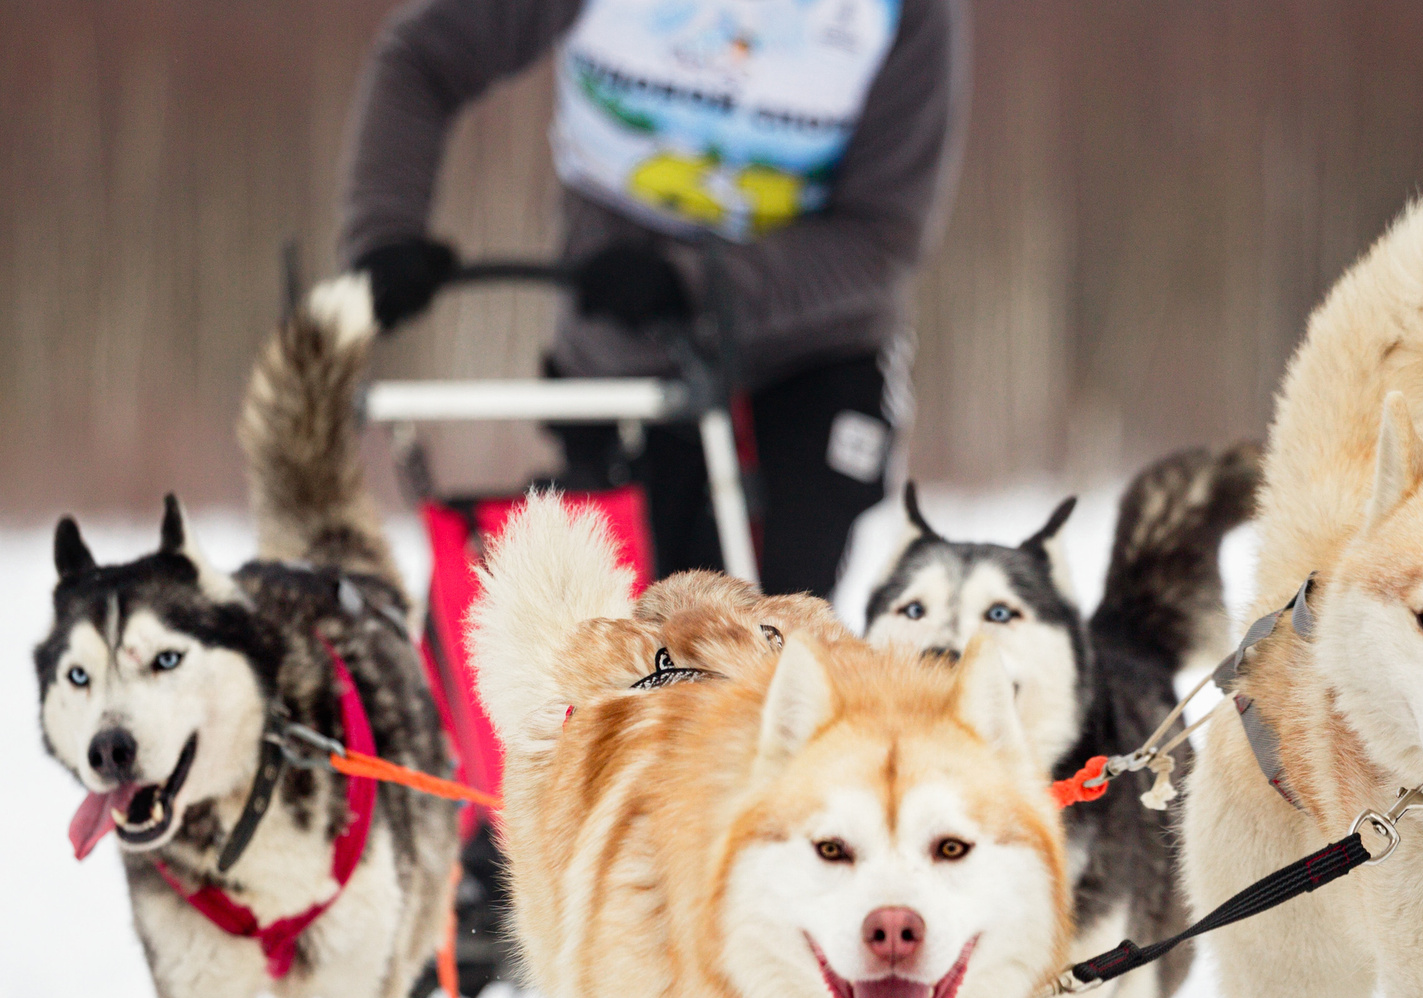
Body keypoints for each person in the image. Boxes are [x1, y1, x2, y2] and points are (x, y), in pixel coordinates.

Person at [338, 0, 967, 599]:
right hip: (621, 345)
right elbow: (422, 59)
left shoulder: (904, 13)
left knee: (769, 626)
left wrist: (693, 282)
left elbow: (884, 236)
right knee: (628, 638)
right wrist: (385, 234)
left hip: (814, 349)